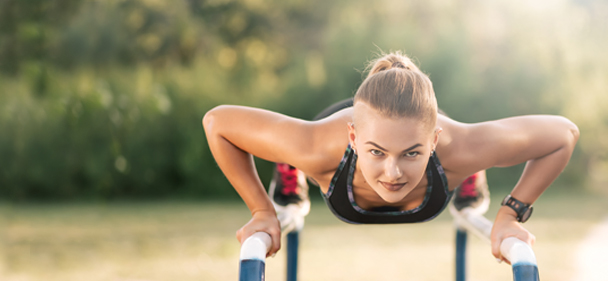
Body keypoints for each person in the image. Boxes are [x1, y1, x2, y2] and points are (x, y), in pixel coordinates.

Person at [202, 51, 579, 263]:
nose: (393, 172)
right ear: (354, 137)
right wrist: (262, 211)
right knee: (298, 152)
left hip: (444, 152)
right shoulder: (319, 145)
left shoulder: (457, 145)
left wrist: (510, 213)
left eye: (411, 153)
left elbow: (564, 134)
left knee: (461, 158)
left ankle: (467, 176)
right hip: (331, 148)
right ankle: (289, 170)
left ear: (434, 141)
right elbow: (217, 122)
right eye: (377, 153)